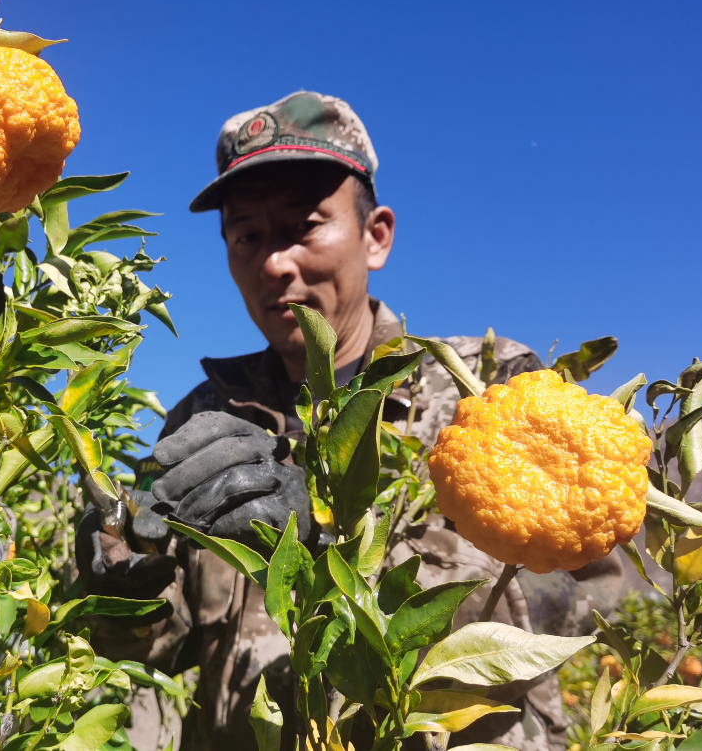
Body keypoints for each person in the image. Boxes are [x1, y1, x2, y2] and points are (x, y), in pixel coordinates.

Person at [78, 91, 623, 751]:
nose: (273, 262)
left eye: (303, 225)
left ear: (375, 236)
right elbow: (162, 646)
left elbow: (582, 601)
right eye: (246, 235)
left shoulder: (486, 386)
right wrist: (120, 587)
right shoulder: (203, 415)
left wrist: (331, 543)